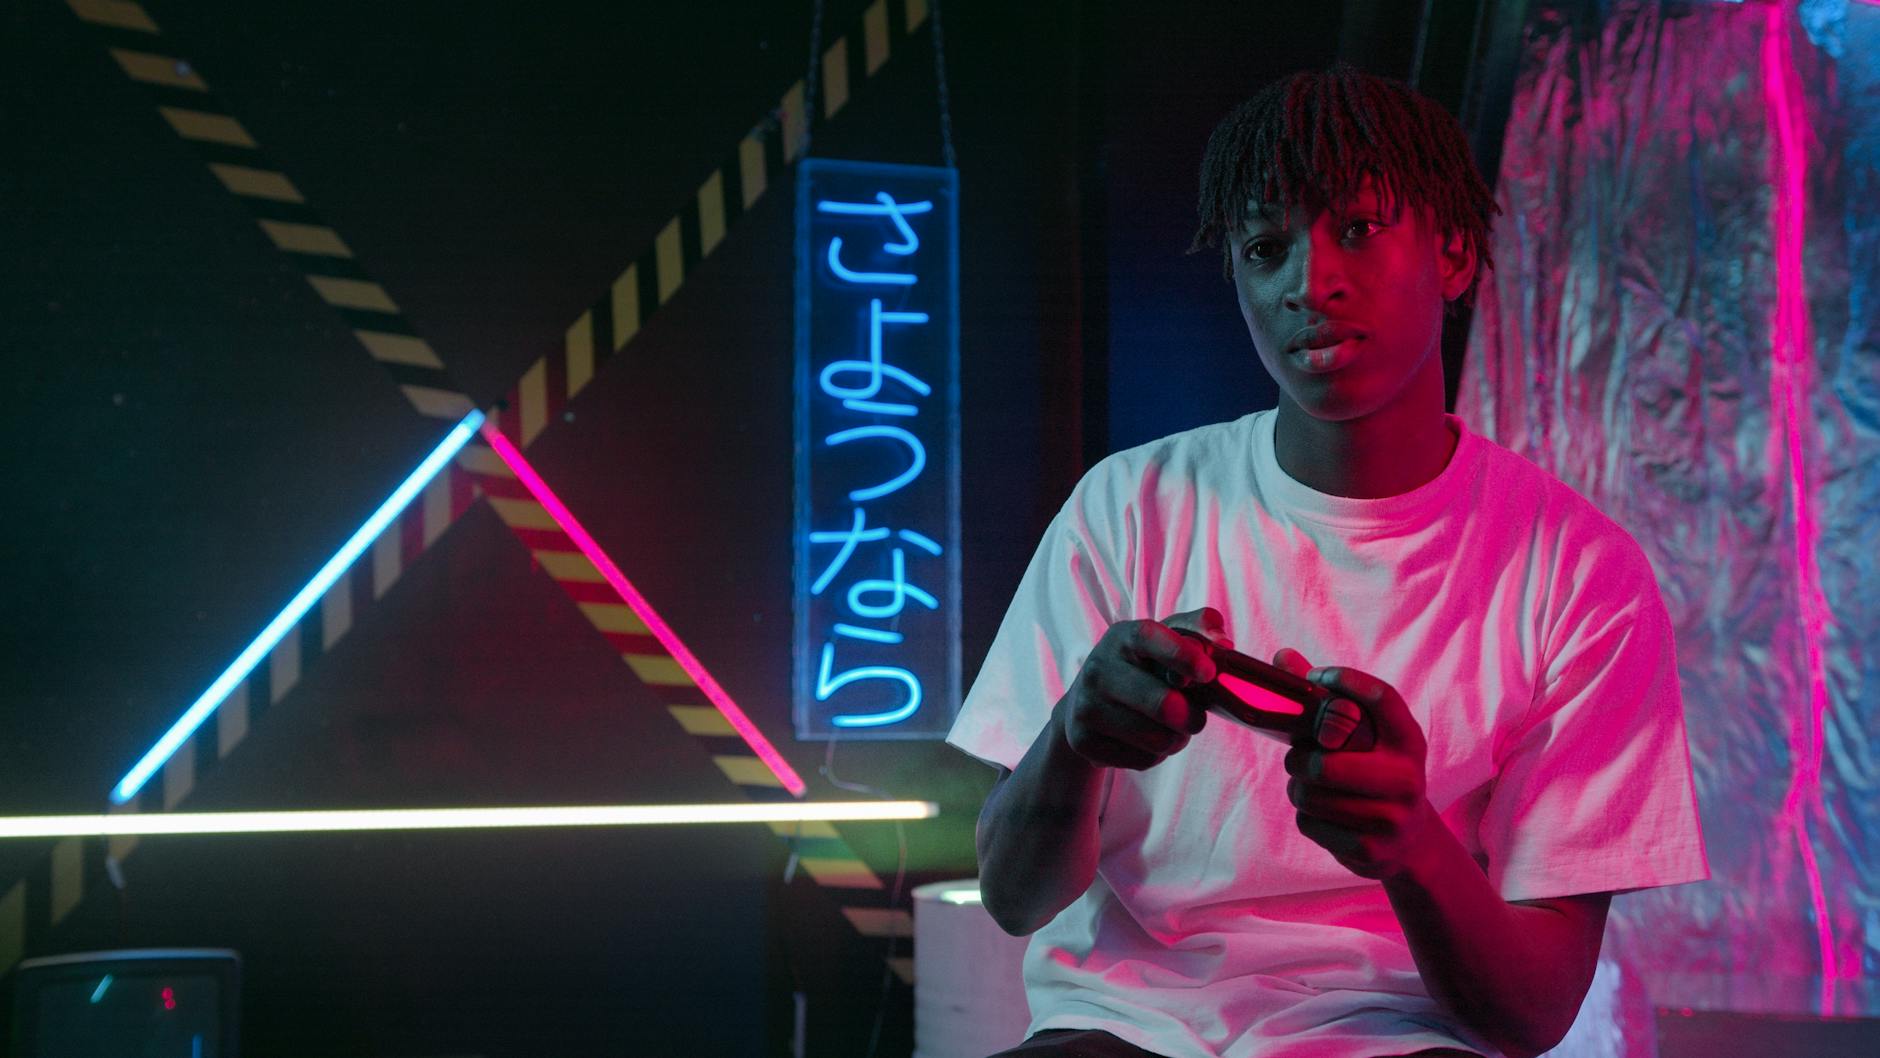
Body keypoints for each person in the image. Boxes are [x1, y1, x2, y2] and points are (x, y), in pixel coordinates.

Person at [945, 64, 1708, 1058]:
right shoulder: (1125, 506)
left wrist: (1408, 839)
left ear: (1453, 253)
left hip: (1399, 1034)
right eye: (1265, 246)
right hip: (1122, 1029)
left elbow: (1529, 1014)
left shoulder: (1577, 574)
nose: (1307, 282)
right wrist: (1074, 735)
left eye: (1353, 228)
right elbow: (1012, 898)